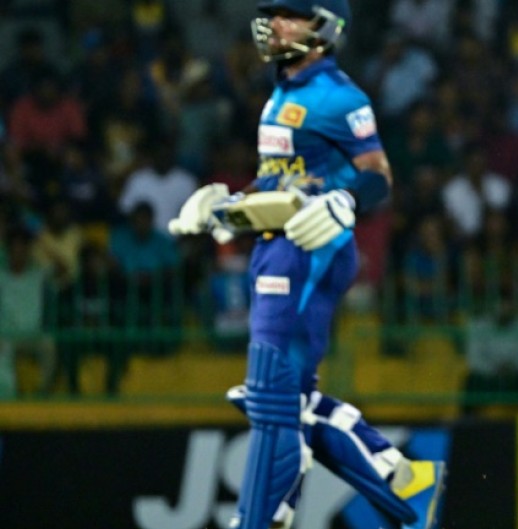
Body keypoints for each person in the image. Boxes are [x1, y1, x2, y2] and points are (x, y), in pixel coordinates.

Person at [168, 2, 445, 529]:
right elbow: (278, 182)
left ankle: (259, 517)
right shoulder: (281, 92)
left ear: (324, 27)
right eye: (270, 14)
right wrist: (224, 206)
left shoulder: (340, 95)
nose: (273, 25)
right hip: (276, 246)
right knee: (289, 398)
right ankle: (406, 487)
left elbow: (378, 176)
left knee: (271, 396)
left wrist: (345, 201)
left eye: (288, 15)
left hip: (312, 250)